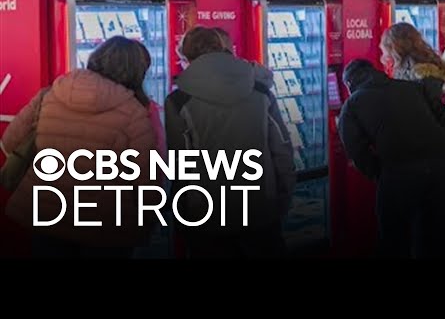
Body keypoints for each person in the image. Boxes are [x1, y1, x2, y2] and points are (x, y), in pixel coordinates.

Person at [0, 36, 158, 258]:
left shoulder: (50, 94)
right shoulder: (134, 112)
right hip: (105, 224)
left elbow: (9, 142)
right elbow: (147, 179)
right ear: (136, 72)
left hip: (48, 211)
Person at [165, 26, 296, 258]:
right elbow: (282, 149)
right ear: (223, 49)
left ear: (186, 59)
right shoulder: (260, 91)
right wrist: (282, 198)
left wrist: (182, 216)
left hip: (207, 215)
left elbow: (179, 166)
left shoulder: (178, 101)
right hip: (260, 210)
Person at [338, 59, 445, 259]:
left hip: (399, 172)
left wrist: (381, 173)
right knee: (435, 234)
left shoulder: (352, 104)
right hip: (440, 167)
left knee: (394, 236)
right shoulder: (411, 87)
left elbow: (357, 151)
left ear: (349, 84)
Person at [379, 22, 445, 133]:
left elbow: (425, 107)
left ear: (394, 46)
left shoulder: (416, 71)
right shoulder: (422, 66)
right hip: (432, 129)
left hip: (425, 131)